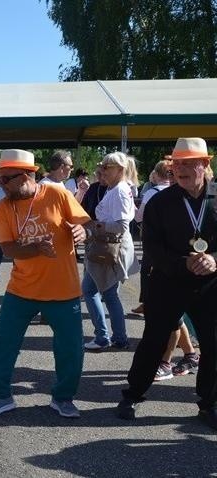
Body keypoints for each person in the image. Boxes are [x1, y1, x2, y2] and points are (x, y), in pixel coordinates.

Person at [0, 149, 90, 418]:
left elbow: (83, 224)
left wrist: (81, 232)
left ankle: (63, 398)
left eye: (6, 179)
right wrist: (37, 248)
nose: (1, 185)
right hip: (22, 289)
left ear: (28, 175)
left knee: (70, 348)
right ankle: (0, 397)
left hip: (63, 288)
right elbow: (8, 249)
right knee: (4, 344)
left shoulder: (57, 194)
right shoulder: (5, 206)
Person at [116, 137, 217, 431]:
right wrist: (182, 262)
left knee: (212, 344)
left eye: (188, 163)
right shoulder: (160, 202)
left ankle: (207, 403)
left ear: (205, 164)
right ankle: (132, 395)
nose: (181, 169)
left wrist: (214, 259)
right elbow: (152, 249)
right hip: (168, 282)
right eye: (177, 164)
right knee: (154, 340)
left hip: (210, 284)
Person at [82, 152, 139, 351]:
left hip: (110, 248)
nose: (102, 171)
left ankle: (103, 337)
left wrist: (96, 225)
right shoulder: (118, 188)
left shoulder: (120, 190)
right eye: (102, 166)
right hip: (110, 248)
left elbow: (122, 225)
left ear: (120, 170)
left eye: (107, 167)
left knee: (91, 290)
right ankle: (118, 338)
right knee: (109, 294)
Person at [132, 160, 173, 315]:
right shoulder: (176, 189)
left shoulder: (152, 192)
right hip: (172, 239)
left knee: (147, 270)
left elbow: (138, 217)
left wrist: (132, 205)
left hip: (153, 238)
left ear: (156, 174)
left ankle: (147, 303)